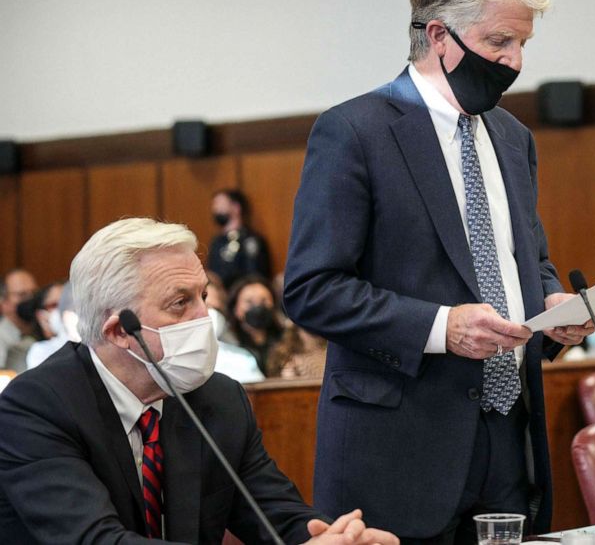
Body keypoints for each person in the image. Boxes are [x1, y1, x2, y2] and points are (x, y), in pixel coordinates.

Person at [284, 0, 592, 543]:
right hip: (399, 444)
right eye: (501, 40)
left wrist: (552, 301)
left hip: (509, 437)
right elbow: (312, 288)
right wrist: (440, 327)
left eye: (524, 44)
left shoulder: (513, 136)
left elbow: (526, 254)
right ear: (439, 36)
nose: (515, 61)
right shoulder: (355, 132)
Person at [0, 219, 396, 545]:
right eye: (180, 303)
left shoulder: (219, 399)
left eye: (203, 296)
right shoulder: (36, 407)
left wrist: (333, 538)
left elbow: (275, 514)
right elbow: (98, 540)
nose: (204, 317)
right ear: (120, 331)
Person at [207, 188, 272, 289]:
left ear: (236, 207)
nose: (215, 209)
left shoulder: (251, 240)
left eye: (220, 204)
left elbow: (255, 276)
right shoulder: (216, 241)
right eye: (214, 205)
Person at [227, 275, 284, 377]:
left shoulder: (287, 341)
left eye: (264, 301)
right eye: (249, 302)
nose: (257, 307)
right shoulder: (229, 346)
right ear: (236, 309)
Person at [0, 268, 39, 372]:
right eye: (22, 294)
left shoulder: (45, 330)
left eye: (34, 293)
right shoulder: (2, 338)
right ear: (4, 302)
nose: (30, 299)